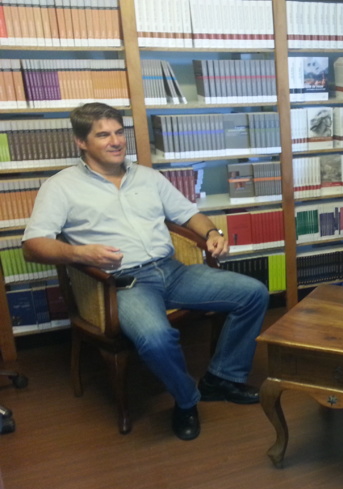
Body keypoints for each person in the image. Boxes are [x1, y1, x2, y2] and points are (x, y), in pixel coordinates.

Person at [22, 102, 269, 441]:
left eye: (119, 133)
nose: (115, 141)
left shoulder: (148, 177)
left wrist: (212, 233)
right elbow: (33, 245)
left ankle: (221, 378)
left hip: (173, 270)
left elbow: (188, 214)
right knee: (155, 338)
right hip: (125, 283)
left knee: (253, 292)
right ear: (81, 142)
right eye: (103, 134)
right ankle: (186, 400)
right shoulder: (61, 186)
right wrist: (80, 252)